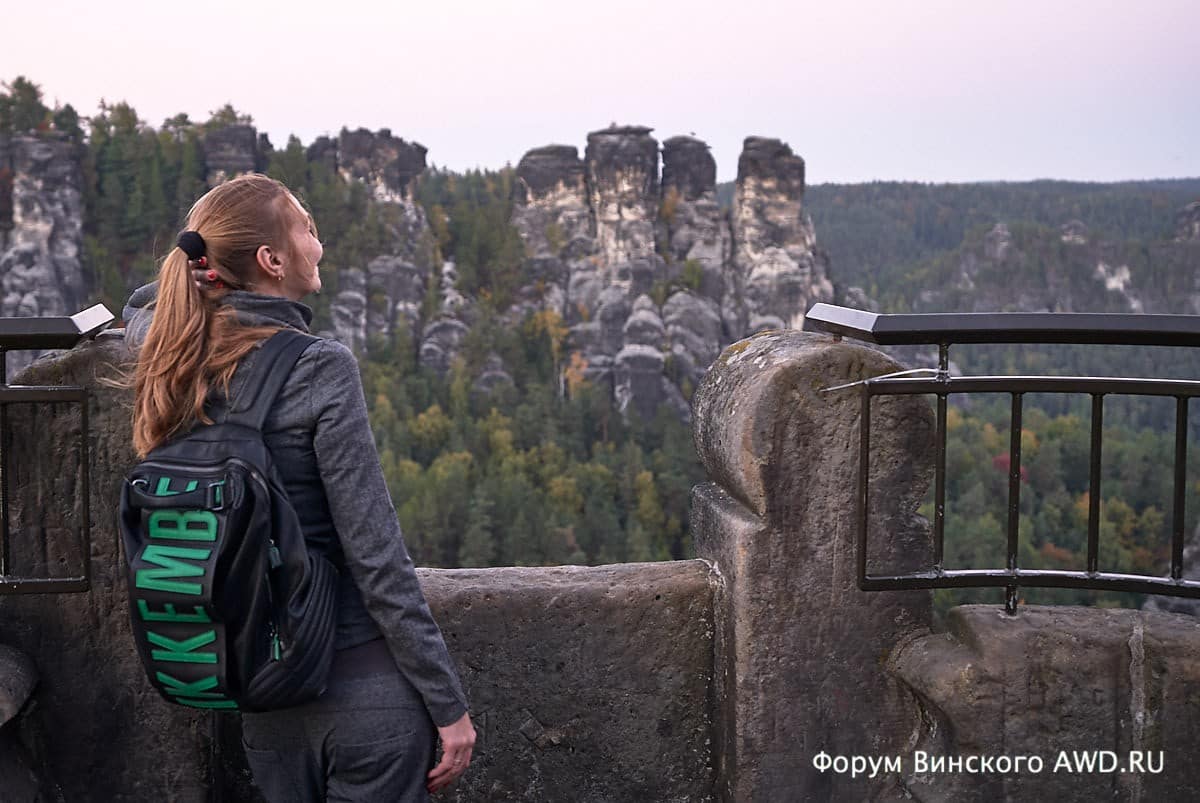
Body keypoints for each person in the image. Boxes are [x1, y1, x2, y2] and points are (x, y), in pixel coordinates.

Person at [124, 173, 475, 801]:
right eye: (307, 230)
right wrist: (449, 706)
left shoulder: (165, 351)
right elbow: (377, 558)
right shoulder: (319, 366)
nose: (320, 245)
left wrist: (201, 269)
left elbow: (141, 305)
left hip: (261, 697)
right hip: (361, 698)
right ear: (271, 259)